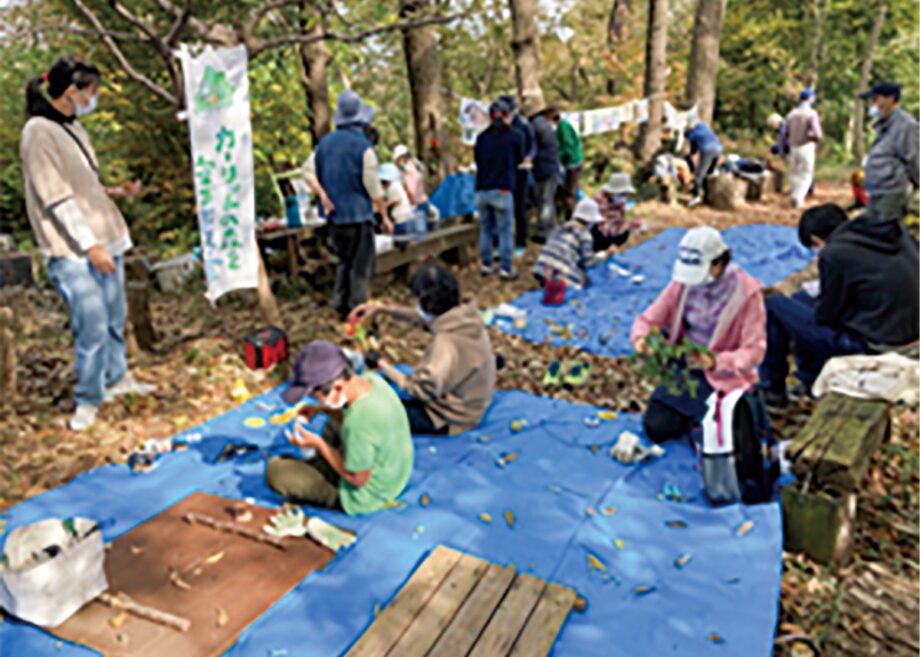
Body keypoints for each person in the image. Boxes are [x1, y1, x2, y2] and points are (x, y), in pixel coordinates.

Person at [20, 56, 154, 431]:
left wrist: (116, 192)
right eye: (91, 90)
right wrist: (90, 246)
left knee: (115, 316)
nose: (94, 97)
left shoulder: (75, 130)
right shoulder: (38, 132)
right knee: (91, 323)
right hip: (72, 249)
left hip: (105, 236)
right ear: (70, 91)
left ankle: (116, 378)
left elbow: (83, 186)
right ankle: (88, 398)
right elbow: (55, 196)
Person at [761, 204, 919, 406]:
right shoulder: (893, 234)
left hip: (877, 344)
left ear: (817, 240)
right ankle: (809, 379)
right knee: (800, 301)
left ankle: (772, 390)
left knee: (775, 306)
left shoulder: (835, 254)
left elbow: (827, 315)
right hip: (908, 330)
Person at [630, 227, 766, 443]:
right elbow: (648, 320)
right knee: (656, 427)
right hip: (686, 368)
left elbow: (754, 351)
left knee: (715, 440)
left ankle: (705, 420)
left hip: (724, 375)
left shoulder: (747, 294)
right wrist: (641, 339)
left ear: (718, 262)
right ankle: (694, 417)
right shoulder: (683, 285)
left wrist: (714, 361)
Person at [266, 340, 414, 515]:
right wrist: (319, 410)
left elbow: (358, 479)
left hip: (366, 494)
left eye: (316, 397)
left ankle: (324, 469)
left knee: (276, 471)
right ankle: (327, 461)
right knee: (333, 425)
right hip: (396, 472)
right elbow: (349, 416)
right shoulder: (371, 380)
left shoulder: (358, 423)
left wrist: (319, 445)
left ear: (336, 387)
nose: (316, 401)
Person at [348, 263, 496, 436]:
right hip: (472, 401)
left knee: (370, 409)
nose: (414, 304)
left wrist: (383, 365)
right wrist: (382, 309)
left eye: (416, 300)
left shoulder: (445, 345)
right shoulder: (465, 317)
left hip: (451, 417)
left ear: (427, 303)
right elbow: (423, 319)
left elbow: (420, 391)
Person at [303, 90, 390, 320]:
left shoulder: (324, 144)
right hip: (358, 215)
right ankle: (356, 310)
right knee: (360, 266)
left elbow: (307, 173)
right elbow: (373, 186)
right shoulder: (363, 147)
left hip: (334, 216)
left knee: (343, 261)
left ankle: (339, 304)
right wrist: (384, 215)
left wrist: (323, 196)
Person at [474, 98, 525, 280]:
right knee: (505, 230)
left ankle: (486, 265)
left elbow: (478, 161)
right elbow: (520, 159)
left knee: (485, 229)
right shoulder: (515, 137)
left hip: (482, 189)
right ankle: (505, 267)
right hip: (503, 189)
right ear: (506, 116)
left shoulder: (481, 138)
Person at [859, 81, 919, 222]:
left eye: (875, 100)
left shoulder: (906, 125)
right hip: (877, 189)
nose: (871, 105)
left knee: (886, 234)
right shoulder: (884, 124)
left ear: (890, 99)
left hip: (892, 191)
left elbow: (913, 158)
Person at [533, 199, 615, 291]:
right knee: (586, 281)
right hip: (559, 275)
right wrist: (604, 255)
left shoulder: (559, 228)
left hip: (541, 269)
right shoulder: (584, 235)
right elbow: (588, 262)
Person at [499, 95, 536, 255]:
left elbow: (533, 145)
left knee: (520, 207)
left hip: (521, 170)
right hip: (503, 172)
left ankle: (521, 241)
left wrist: (529, 157)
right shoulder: (497, 127)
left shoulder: (523, 125)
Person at [780, 87, 823, 209]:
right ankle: (798, 198)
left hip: (793, 147)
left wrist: (783, 148)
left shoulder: (791, 114)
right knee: (806, 174)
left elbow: (784, 134)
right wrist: (813, 137)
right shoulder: (811, 114)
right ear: (810, 99)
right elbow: (818, 134)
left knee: (794, 173)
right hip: (806, 146)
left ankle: (794, 194)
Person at [530, 106, 560, 242]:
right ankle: (549, 228)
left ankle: (546, 231)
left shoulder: (536, 127)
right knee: (547, 199)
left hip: (543, 168)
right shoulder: (545, 125)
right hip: (551, 166)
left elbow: (532, 149)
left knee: (544, 199)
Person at [591, 172, 642, 252]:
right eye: (622, 193)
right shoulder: (600, 200)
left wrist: (631, 224)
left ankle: (611, 249)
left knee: (625, 233)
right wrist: (626, 226)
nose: (624, 196)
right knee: (600, 235)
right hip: (597, 233)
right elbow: (603, 228)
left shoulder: (621, 200)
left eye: (625, 194)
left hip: (611, 229)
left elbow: (620, 219)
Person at [548, 107, 584, 219]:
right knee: (568, 191)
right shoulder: (563, 125)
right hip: (574, 161)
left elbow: (567, 146)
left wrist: (558, 157)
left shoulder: (562, 128)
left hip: (573, 163)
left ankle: (570, 219)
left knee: (570, 194)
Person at [684, 121, 723, 207]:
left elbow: (693, 151)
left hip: (707, 149)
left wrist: (688, 159)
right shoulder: (705, 129)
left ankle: (696, 196)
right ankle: (709, 195)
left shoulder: (692, 135)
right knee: (709, 172)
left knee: (699, 174)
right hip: (719, 149)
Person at [378, 163, 413, 235]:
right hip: (403, 220)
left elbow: (390, 203)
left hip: (402, 221)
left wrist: (380, 207)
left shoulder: (393, 187)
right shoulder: (393, 186)